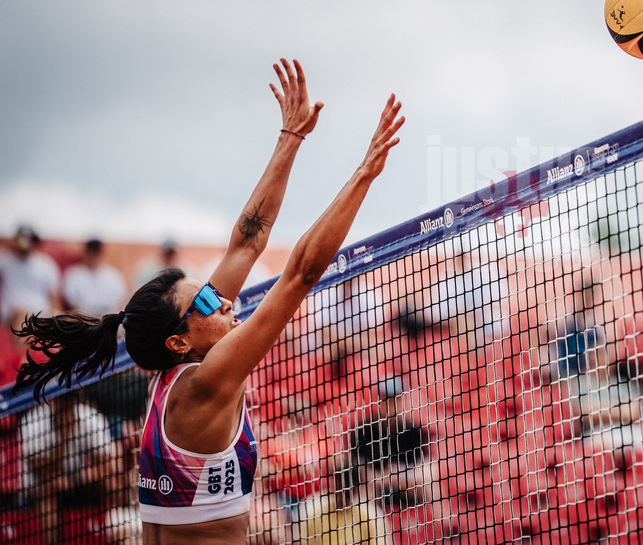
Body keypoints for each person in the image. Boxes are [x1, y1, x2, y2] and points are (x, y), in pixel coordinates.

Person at [12, 58, 405, 544]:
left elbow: (246, 243)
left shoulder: (172, 373)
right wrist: (365, 172)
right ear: (179, 341)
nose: (220, 300)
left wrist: (290, 137)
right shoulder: (206, 380)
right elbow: (301, 273)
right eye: (202, 302)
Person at [19, 390, 119, 544]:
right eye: (61, 399)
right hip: (40, 487)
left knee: (109, 485)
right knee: (48, 497)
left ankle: (111, 537)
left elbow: (104, 464)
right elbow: (42, 472)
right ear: (52, 399)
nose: (65, 403)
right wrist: (64, 434)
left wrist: (91, 479)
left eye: (69, 398)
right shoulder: (33, 421)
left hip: (75, 480)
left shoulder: (89, 417)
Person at [0, 225, 61, 350]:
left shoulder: (46, 264)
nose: (25, 243)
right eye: (22, 238)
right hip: (14, 315)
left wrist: (57, 316)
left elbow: (54, 298)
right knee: (22, 316)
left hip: (42, 314)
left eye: (28, 239)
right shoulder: (5, 262)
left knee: (68, 320)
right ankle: (22, 361)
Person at [63, 238, 128, 316]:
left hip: (108, 321)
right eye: (90, 253)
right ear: (85, 252)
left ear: (101, 254)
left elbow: (121, 302)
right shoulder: (73, 274)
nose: (93, 257)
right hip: (84, 320)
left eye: (95, 253)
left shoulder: (113, 275)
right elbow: (72, 305)